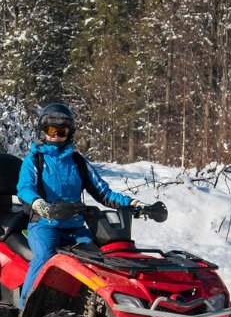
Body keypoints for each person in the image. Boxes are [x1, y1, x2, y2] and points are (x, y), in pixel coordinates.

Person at [16, 101, 140, 303]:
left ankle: (95, 305)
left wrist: (132, 203)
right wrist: (39, 204)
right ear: (43, 131)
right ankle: (26, 307)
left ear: (69, 133)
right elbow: (24, 188)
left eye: (62, 131)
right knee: (44, 255)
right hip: (44, 225)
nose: (56, 135)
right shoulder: (35, 160)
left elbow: (103, 192)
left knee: (97, 259)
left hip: (75, 227)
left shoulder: (78, 161)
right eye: (51, 130)